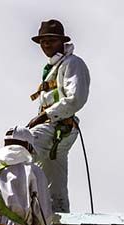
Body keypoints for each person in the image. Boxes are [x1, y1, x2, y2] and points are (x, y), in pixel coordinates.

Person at [27, 19, 90, 213]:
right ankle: (59, 220)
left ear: (62, 41)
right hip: (56, 127)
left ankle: (11, 205)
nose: (46, 44)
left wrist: (45, 116)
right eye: (43, 41)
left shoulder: (72, 63)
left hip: (59, 125)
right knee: (54, 181)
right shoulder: (54, 67)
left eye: (51, 40)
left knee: (20, 146)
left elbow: (75, 99)